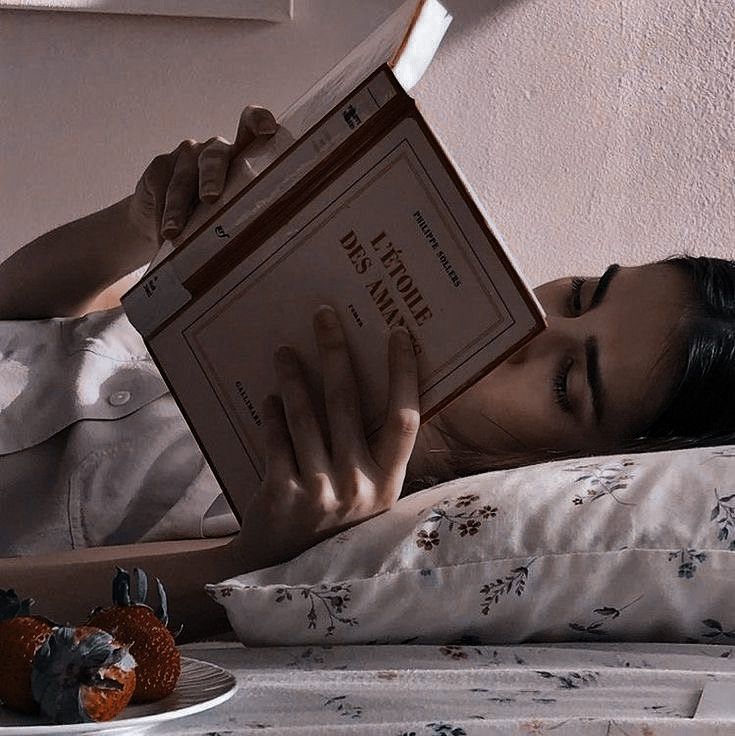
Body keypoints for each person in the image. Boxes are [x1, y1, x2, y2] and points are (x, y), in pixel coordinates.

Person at [1, 106, 734, 640]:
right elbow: (32, 324)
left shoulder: (328, 513)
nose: (538, 327)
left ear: (575, 466)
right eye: (579, 295)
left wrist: (247, 558)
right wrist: (139, 221)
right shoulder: (332, 306)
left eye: (566, 382)